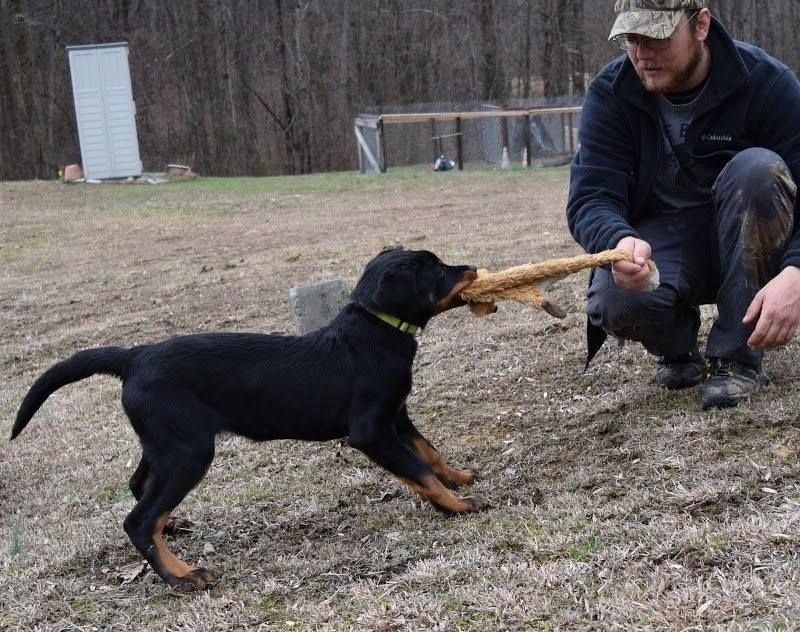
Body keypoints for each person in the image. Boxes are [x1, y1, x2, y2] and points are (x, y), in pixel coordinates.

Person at [566, 0, 800, 409]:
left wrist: (797, 270)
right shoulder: (611, 93)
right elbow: (591, 195)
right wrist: (618, 239)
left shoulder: (766, 83)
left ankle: (736, 358)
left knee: (758, 170)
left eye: (656, 36)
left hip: (747, 239)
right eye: (630, 38)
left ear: (701, 25)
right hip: (666, 244)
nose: (641, 53)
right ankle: (677, 347)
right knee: (614, 301)